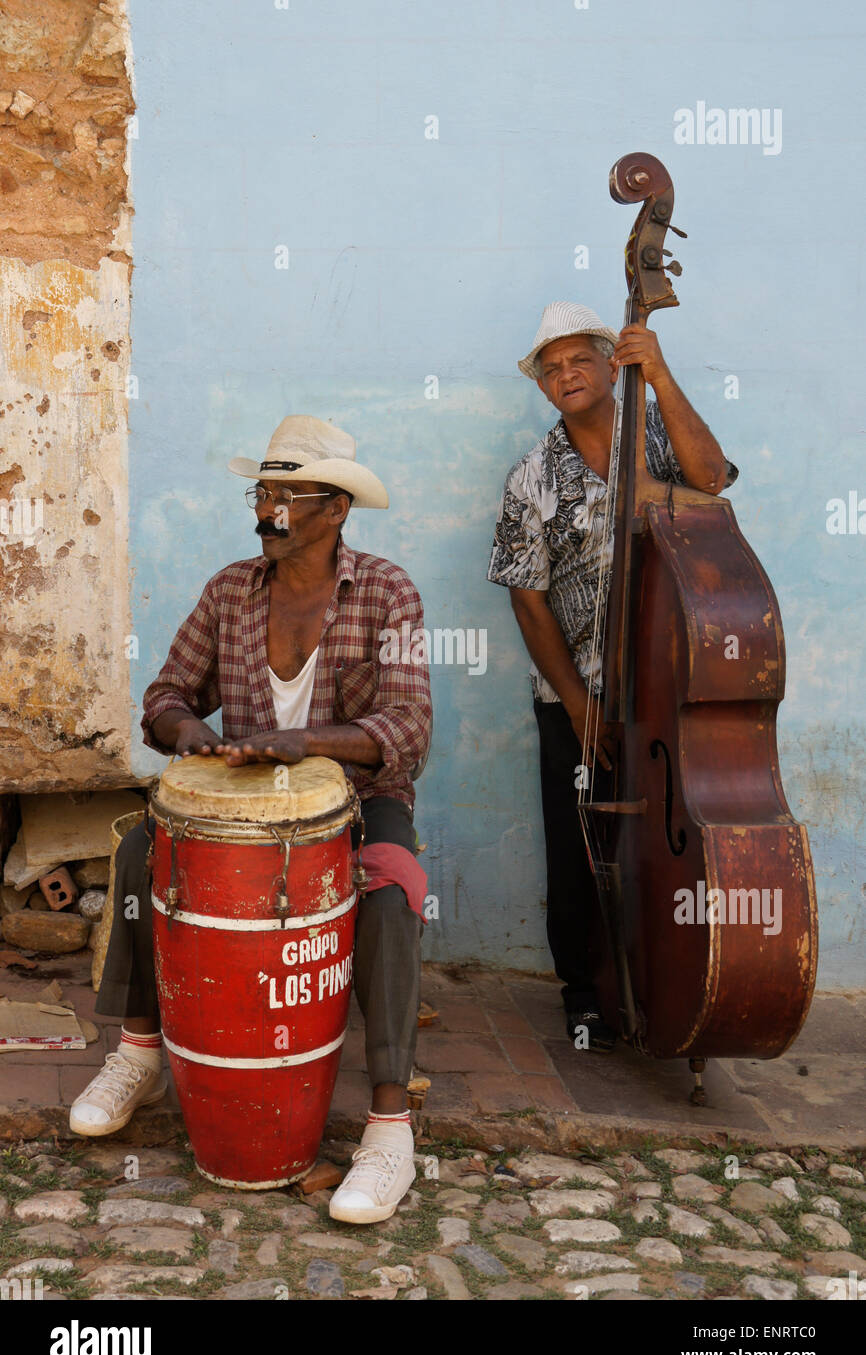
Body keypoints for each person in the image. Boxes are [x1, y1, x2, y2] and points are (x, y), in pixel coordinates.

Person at [70, 415, 432, 1224]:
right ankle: (139, 1052)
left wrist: (302, 742)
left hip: (358, 804)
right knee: (140, 857)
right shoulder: (231, 590)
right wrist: (186, 731)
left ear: (335, 508)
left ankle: (389, 1128)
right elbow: (163, 695)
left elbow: (409, 728)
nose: (265, 510)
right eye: (260, 492)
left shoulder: (387, 590)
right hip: (244, 815)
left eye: (284, 495)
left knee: (392, 893)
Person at [487, 302, 737, 1049]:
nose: (566, 375)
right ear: (541, 386)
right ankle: (586, 997)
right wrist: (576, 707)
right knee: (581, 849)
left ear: (609, 364)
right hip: (577, 697)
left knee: (674, 841)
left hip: (671, 686)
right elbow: (528, 604)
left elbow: (713, 482)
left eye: (579, 361)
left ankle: (684, 976)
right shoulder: (530, 478)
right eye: (551, 368)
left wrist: (658, 374)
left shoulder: (656, 433)